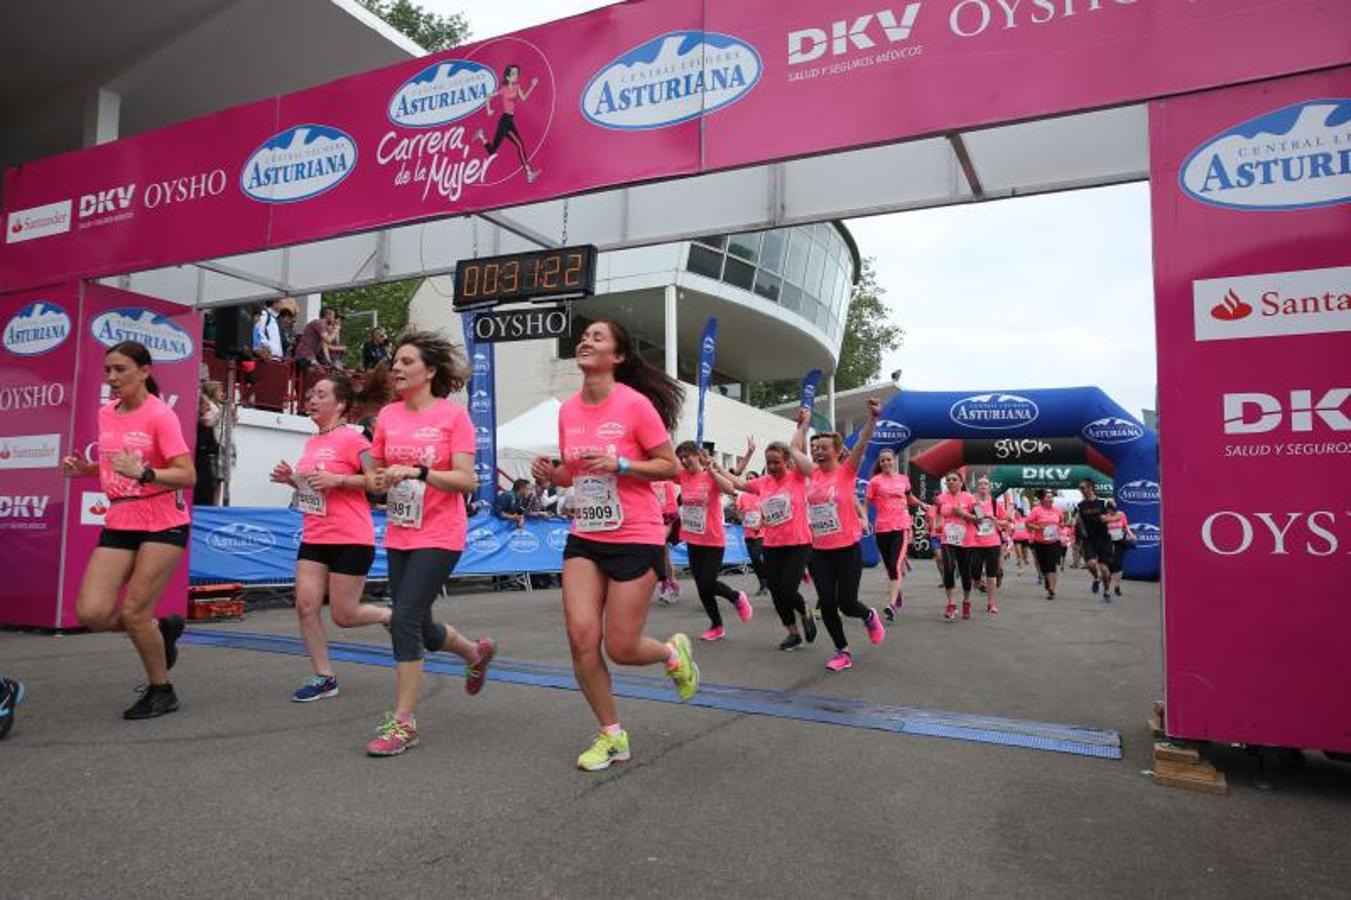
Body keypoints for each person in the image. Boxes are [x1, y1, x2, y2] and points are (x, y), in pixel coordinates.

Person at [530, 319, 698, 772]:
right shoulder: (567, 410)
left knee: (622, 648)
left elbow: (669, 468)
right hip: (586, 534)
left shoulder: (635, 405)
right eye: (583, 336)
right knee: (581, 637)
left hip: (635, 534)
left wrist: (622, 462)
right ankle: (611, 734)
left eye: (597, 337)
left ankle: (670, 653)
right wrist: (552, 474)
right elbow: (574, 473)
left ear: (618, 357)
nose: (585, 341)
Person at [364, 330, 496, 757]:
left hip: (441, 533)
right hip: (402, 530)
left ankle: (403, 724)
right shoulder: (387, 416)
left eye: (406, 362)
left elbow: (466, 480)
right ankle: (474, 652)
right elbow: (376, 473)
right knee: (417, 623)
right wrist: (380, 479)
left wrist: (419, 472)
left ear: (430, 371)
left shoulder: (452, 417)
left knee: (402, 618)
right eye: (395, 362)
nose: (397, 368)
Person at [59, 341, 194, 719]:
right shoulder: (107, 413)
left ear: (145, 372)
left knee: (134, 612)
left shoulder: (160, 416)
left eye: (120, 370)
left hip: (163, 521)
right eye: (107, 371)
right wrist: (83, 470)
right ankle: (158, 631)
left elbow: (187, 474)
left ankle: (161, 689)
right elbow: (113, 465)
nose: (112, 378)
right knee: (92, 612)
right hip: (120, 519)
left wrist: (146, 473)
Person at [269, 373, 392, 702]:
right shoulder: (311, 443)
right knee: (306, 606)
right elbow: (315, 487)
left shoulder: (356, 441)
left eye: (320, 395)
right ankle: (324, 677)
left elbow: (378, 483)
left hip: (351, 536)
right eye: (310, 394)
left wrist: (337, 480)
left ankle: (387, 615)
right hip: (315, 534)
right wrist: (291, 480)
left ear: (339, 405)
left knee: (344, 616)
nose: (311, 399)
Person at [787, 400, 885, 671]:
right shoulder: (812, 473)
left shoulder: (846, 472)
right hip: (819, 551)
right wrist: (803, 425)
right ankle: (842, 650)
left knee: (847, 602)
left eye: (823, 448)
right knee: (827, 604)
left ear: (838, 451)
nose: (817, 452)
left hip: (847, 549)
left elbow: (863, 445)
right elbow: (794, 448)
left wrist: (873, 418)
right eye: (815, 448)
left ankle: (868, 616)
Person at [719, 439, 817, 651]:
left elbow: (799, 451)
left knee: (788, 589)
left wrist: (803, 424)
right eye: (769, 462)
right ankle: (792, 633)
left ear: (787, 462)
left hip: (798, 543)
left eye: (776, 462)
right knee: (776, 590)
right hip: (772, 544)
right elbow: (740, 484)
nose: (772, 466)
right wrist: (717, 468)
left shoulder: (797, 477)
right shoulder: (763, 483)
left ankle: (805, 611)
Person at [677, 442, 752, 642]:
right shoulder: (683, 476)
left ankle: (735, 597)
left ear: (697, 455)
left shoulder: (709, 475)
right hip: (692, 538)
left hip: (712, 539)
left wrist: (712, 471)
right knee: (702, 587)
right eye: (681, 457)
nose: (684, 461)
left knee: (707, 582)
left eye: (687, 456)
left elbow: (730, 489)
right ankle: (717, 626)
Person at [866, 448, 920, 621]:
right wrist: (863, 519)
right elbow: (866, 504)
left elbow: (910, 498)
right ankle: (898, 594)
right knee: (890, 566)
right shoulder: (875, 481)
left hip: (901, 526)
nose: (886, 463)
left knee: (895, 564)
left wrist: (924, 504)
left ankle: (891, 605)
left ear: (894, 460)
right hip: (882, 527)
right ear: (879, 463)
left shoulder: (903, 480)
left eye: (888, 459)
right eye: (882, 461)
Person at [473, 64, 541, 183]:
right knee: (519, 145)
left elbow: (524, 98)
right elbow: (488, 96)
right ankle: (529, 174)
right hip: (505, 121)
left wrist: (532, 85)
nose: (516, 76)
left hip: (509, 120)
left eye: (517, 73)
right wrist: (488, 109)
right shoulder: (504, 89)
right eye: (513, 74)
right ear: (508, 77)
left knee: (492, 150)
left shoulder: (517, 87)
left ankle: (481, 136)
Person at [932, 470, 977, 621]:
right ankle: (951, 604)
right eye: (948, 480)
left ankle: (966, 601)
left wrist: (963, 514)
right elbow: (938, 514)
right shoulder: (940, 498)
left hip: (966, 540)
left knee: (965, 573)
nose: (950, 482)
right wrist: (938, 525)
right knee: (949, 569)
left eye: (953, 479)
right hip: (947, 540)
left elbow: (981, 519)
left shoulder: (970, 498)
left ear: (961, 482)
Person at [967, 476, 1009, 616]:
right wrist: (974, 519)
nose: (983, 486)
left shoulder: (995, 503)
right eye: (980, 484)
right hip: (975, 543)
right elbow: (965, 518)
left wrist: (996, 520)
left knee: (991, 575)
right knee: (975, 575)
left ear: (990, 487)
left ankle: (991, 604)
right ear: (977, 487)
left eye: (986, 484)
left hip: (993, 543)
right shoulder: (972, 503)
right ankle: (978, 584)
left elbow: (1006, 522)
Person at [1077, 478, 1115, 597]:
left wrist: (1107, 519)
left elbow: (1118, 516)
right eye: (1080, 488)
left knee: (1104, 569)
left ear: (1090, 488)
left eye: (1082, 488)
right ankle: (1096, 578)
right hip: (1089, 539)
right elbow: (1081, 521)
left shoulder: (1103, 502)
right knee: (1091, 564)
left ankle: (1107, 591)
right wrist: (1080, 535)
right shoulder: (1081, 505)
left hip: (1103, 539)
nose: (1081, 490)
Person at [734, 473, 768, 596]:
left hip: (762, 532)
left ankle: (767, 580)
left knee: (756, 555)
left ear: (757, 480)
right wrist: (741, 518)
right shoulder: (743, 496)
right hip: (748, 531)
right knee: (754, 559)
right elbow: (738, 511)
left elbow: (767, 512)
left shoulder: (762, 494)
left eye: (751, 478)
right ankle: (763, 584)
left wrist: (760, 524)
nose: (749, 480)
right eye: (747, 478)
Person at [1027, 490, 1065, 600]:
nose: (1051, 499)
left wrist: (1059, 526)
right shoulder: (1036, 510)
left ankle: (1051, 590)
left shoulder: (1057, 510)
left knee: (1051, 565)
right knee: (1043, 566)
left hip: (1054, 542)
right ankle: (1047, 580)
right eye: (1048, 497)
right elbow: (1028, 523)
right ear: (1042, 499)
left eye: (1051, 497)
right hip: (1040, 543)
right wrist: (1038, 527)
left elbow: (1062, 522)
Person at [194, 380, 224, 506]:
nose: (207, 409)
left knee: (217, 481)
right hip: (202, 461)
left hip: (207, 456)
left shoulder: (216, 410)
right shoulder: (210, 415)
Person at [651, 478, 681, 603]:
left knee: (659, 548)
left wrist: (669, 519)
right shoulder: (649, 479)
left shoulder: (667, 481)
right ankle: (669, 583)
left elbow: (671, 504)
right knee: (664, 554)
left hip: (666, 518)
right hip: (652, 518)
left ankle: (669, 583)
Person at [1102, 500, 1133, 599]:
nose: (1113, 512)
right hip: (1108, 543)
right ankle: (1106, 590)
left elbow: (1125, 526)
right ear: (1107, 509)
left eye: (1114, 510)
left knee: (1118, 564)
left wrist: (1131, 534)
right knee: (1109, 565)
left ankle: (1117, 586)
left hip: (1120, 541)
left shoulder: (1121, 514)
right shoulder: (1104, 517)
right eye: (1111, 510)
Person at [296, 307, 336, 371]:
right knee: (318, 373)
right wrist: (336, 330)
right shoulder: (318, 323)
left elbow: (324, 346)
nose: (334, 319)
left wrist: (329, 361)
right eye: (333, 316)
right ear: (328, 315)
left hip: (310, 355)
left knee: (321, 372)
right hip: (305, 355)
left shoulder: (322, 327)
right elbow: (328, 340)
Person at [1010, 506, 1031, 570]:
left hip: (1025, 538)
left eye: (1017, 513)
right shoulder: (1013, 520)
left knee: (1025, 554)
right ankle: (1020, 567)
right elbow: (1008, 519)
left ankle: (1025, 558)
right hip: (1016, 538)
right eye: (1015, 513)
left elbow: (1029, 526)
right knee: (1019, 553)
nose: (1016, 514)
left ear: (1021, 513)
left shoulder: (1025, 519)